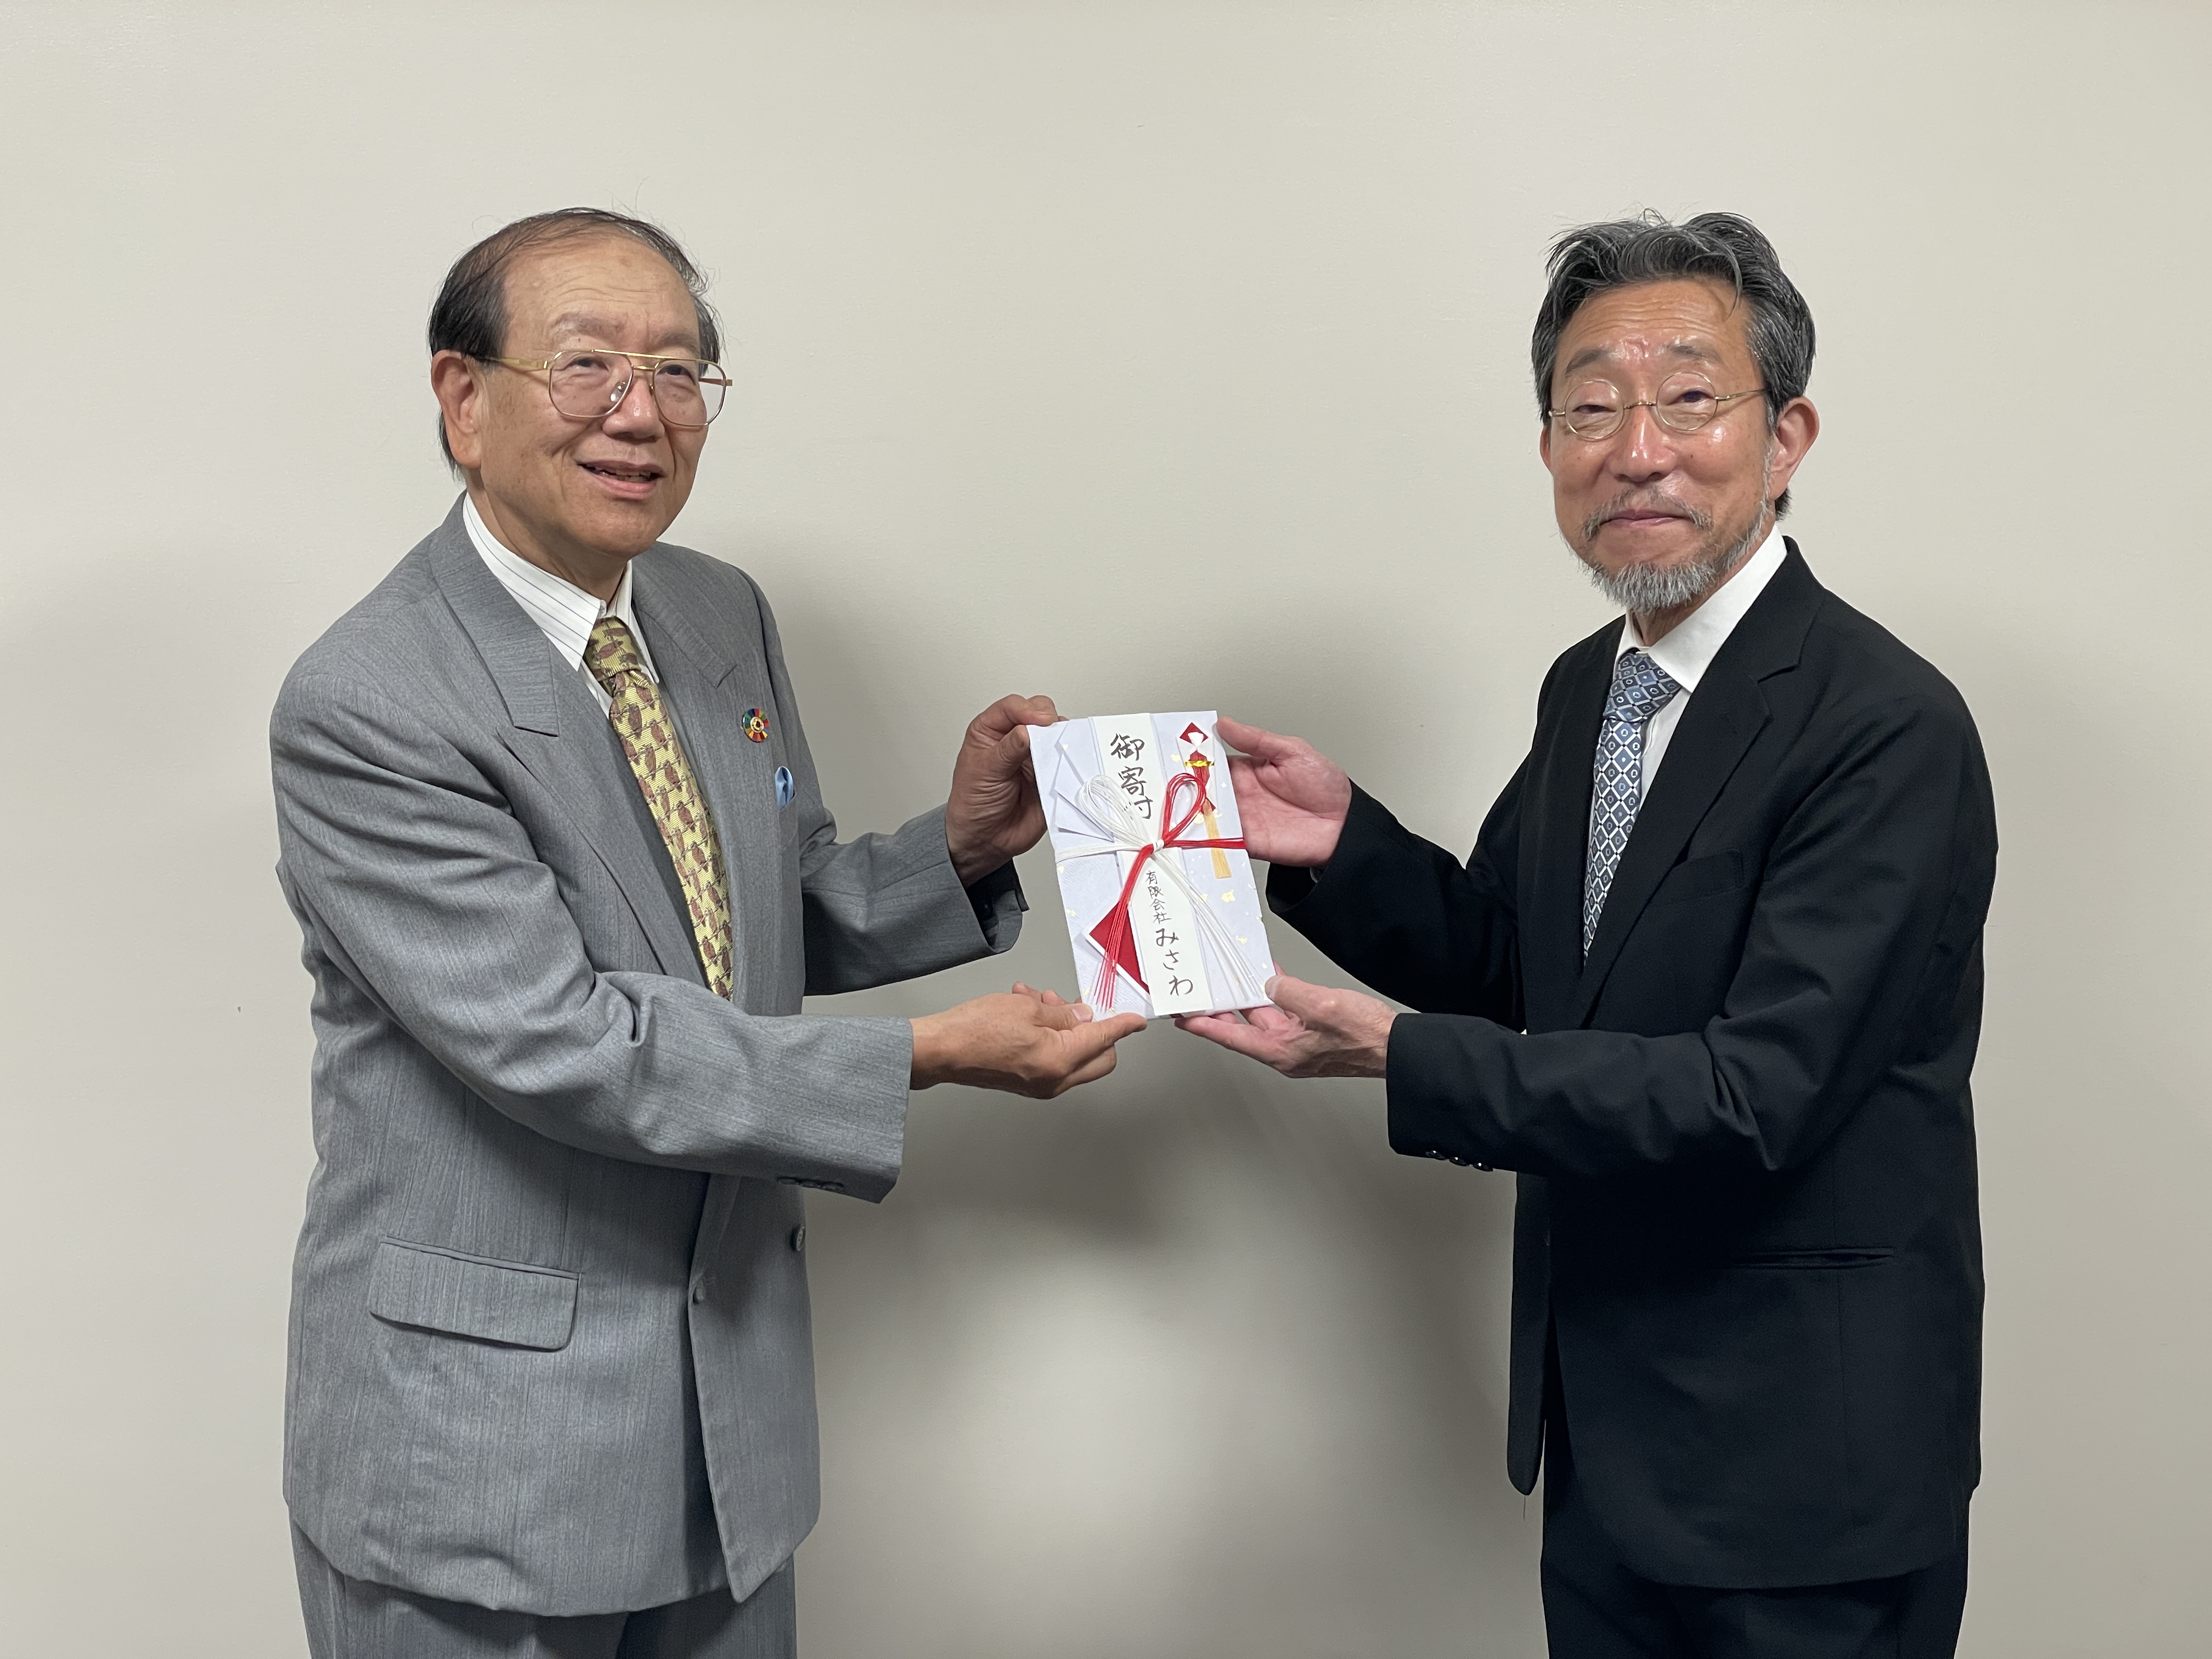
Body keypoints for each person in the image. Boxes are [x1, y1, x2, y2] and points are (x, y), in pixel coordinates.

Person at [270, 207, 1145, 1658]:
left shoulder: (711, 610)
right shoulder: (371, 700)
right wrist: (923, 1058)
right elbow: (567, 1042)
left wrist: (965, 842)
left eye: (681, 373)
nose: (643, 413)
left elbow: (760, 912)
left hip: (724, 1442)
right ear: (462, 398)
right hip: (479, 1461)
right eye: (590, 366)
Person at [1182, 212, 1994, 1658]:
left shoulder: (1884, 727)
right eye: (1589, 406)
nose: (1636, 449)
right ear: (1548, 444)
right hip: (1607, 1443)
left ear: (1787, 435)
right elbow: (1523, 966)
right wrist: (1338, 841)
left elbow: (1754, 1099)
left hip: (1805, 1478)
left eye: (1689, 398)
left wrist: (1399, 1059)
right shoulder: (1595, 685)